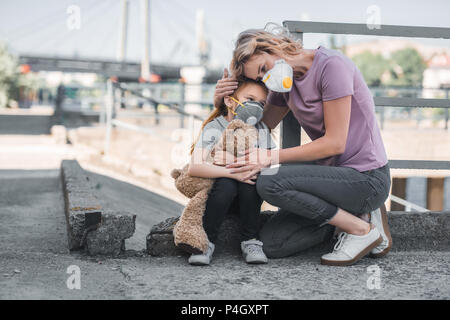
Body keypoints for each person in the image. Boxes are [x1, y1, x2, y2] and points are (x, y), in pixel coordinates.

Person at [213, 26, 392, 266]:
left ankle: (361, 227)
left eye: (264, 69)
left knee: (269, 180)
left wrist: (269, 157)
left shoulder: (332, 66)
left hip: (366, 177)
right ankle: (349, 217)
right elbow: (258, 128)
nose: (266, 79)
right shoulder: (283, 84)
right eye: (259, 78)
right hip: (328, 180)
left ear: (273, 46)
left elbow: (335, 143)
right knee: (272, 245)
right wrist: (223, 103)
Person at [186, 78, 276, 266]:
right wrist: (232, 172)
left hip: (249, 195)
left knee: (249, 182)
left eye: (260, 103)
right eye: (250, 98)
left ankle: (251, 240)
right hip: (218, 196)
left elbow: (270, 164)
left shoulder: (261, 130)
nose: (255, 107)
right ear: (229, 101)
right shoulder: (214, 127)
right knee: (227, 185)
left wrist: (232, 162)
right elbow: (195, 166)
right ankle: (206, 242)